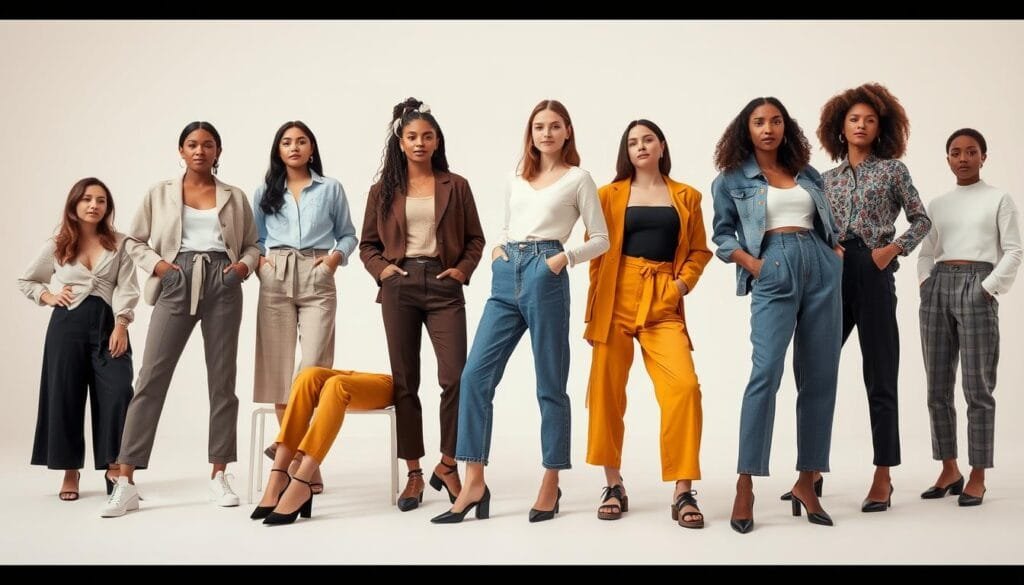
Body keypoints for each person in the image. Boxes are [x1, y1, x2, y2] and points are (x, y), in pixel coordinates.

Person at [433, 99, 609, 524]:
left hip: (546, 273)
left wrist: (562, 259)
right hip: (506, 270)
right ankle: (474, 479)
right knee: (475, 376)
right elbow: (509, 226)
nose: (545, 133)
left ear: (567, 131)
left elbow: (601, 238)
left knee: (550, 383)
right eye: (538, 127)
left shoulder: (579, 179)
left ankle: (551, 480)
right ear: (530, 134)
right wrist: (498, 250)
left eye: (554, 126)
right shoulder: (516, 179)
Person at [101, 121, 260, 517]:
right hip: (175, 281)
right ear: (181, 150)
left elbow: (255, 244)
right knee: (150, 379)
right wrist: (160, 267)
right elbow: (132, 240)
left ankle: (219, 474)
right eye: (192, 144)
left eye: (208, 145)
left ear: (218, 152)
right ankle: (125, 480)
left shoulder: (234, 196)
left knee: (222, 381)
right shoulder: (160, 194)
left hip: (223, 282)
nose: (200, 151)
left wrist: (241, 267)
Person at [710, 97, 843, 533]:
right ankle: (745, 484)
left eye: (776, 121)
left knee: (821, 375)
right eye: (759, 122)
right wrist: (753, 264)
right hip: (774, 266)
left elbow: (825, 224)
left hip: (820, 268)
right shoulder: (731, 179)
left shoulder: (807, 175)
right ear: (745, 129)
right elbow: (722, 236)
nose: (768, 128)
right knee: (765, 373)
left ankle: (808, 479)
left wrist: (834, 252)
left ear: (786, 127)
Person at [582, 119, 711, 528]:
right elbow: (596, 255)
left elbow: (698, 251)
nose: (640, 147)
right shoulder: (607, 195)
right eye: (633, 142)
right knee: (606, 390)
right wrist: (594, 310)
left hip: (662, 299)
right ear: (627, 150)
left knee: (684, 388)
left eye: (647, 140)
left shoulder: (687, 195)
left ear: (661, 146)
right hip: (615, 298)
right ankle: (613, 483)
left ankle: (683, 489)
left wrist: (680, 286)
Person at [360, 97, 485, 511]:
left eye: (427, 136)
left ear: (437, 141)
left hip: (445, 285)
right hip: (400, 286)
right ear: (400, 141)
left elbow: (475, 240)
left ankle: (448, 464)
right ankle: (414, 471)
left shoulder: (456, 185)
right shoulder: (382, 192)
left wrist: (462, 271)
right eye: (412, 136)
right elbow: (368, 246)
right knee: (404, 381)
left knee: (456, 377)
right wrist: (383, 271)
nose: (419, 143)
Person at [815, 82, 931, 512]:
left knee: (880, 375)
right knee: (817, 369)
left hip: (875, 271)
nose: (861, 125)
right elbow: (815, 229)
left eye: (869, 119)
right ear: (840, 128)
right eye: (853, 119)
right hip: (833, 276)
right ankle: (811, 471)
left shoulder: (893, 171)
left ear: (881, 126)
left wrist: (890, 250)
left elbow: (921, 219)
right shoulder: (824, 179)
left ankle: (883, 474)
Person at [252, 120, 358, 495]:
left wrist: (333, 260)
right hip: (275, 274)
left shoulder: (330, 188)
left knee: (312, 368)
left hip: (316, 272)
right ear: (278, 150)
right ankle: (303, 465)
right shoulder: (265, 190)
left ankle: (287, 453)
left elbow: (348, 234)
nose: (294, 147)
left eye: (301, 141)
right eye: (286, 142)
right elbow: (254, 239)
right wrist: (263, 267)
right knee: (279, 372)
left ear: (311, 148)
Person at [917, 128, 1021, 507]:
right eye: (956, 152)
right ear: (947, 159)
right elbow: (927, 250)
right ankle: (949, 468)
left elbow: (1013, 250)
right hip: (938, 288)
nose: (963, 158)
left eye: (971, 151)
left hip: (977, 284)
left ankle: (978, 474)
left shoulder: (998, 199)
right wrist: (926, 283)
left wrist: (986, 287)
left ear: (983, 157)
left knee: (978, 388)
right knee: (937, 387)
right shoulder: (939, 203)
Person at [18, 177, 139, 501]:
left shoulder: (120, 242)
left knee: (117, 391)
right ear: (74, 204)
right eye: (86, 199)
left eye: (100, 200)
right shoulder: (58, 243)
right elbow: (26, 279)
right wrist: (48, 296)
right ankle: (70, 471)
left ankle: (114, 468)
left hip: (108, 326)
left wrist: (122, 324)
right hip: (66, 326)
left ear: (107, 207)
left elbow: (127, 287)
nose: (93, 205)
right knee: (65, 396)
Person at [251, 367, 394, 525]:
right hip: (357, 375)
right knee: (306, 377)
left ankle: (302, 481)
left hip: (387, 382)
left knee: (336, 385)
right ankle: (278, 476)